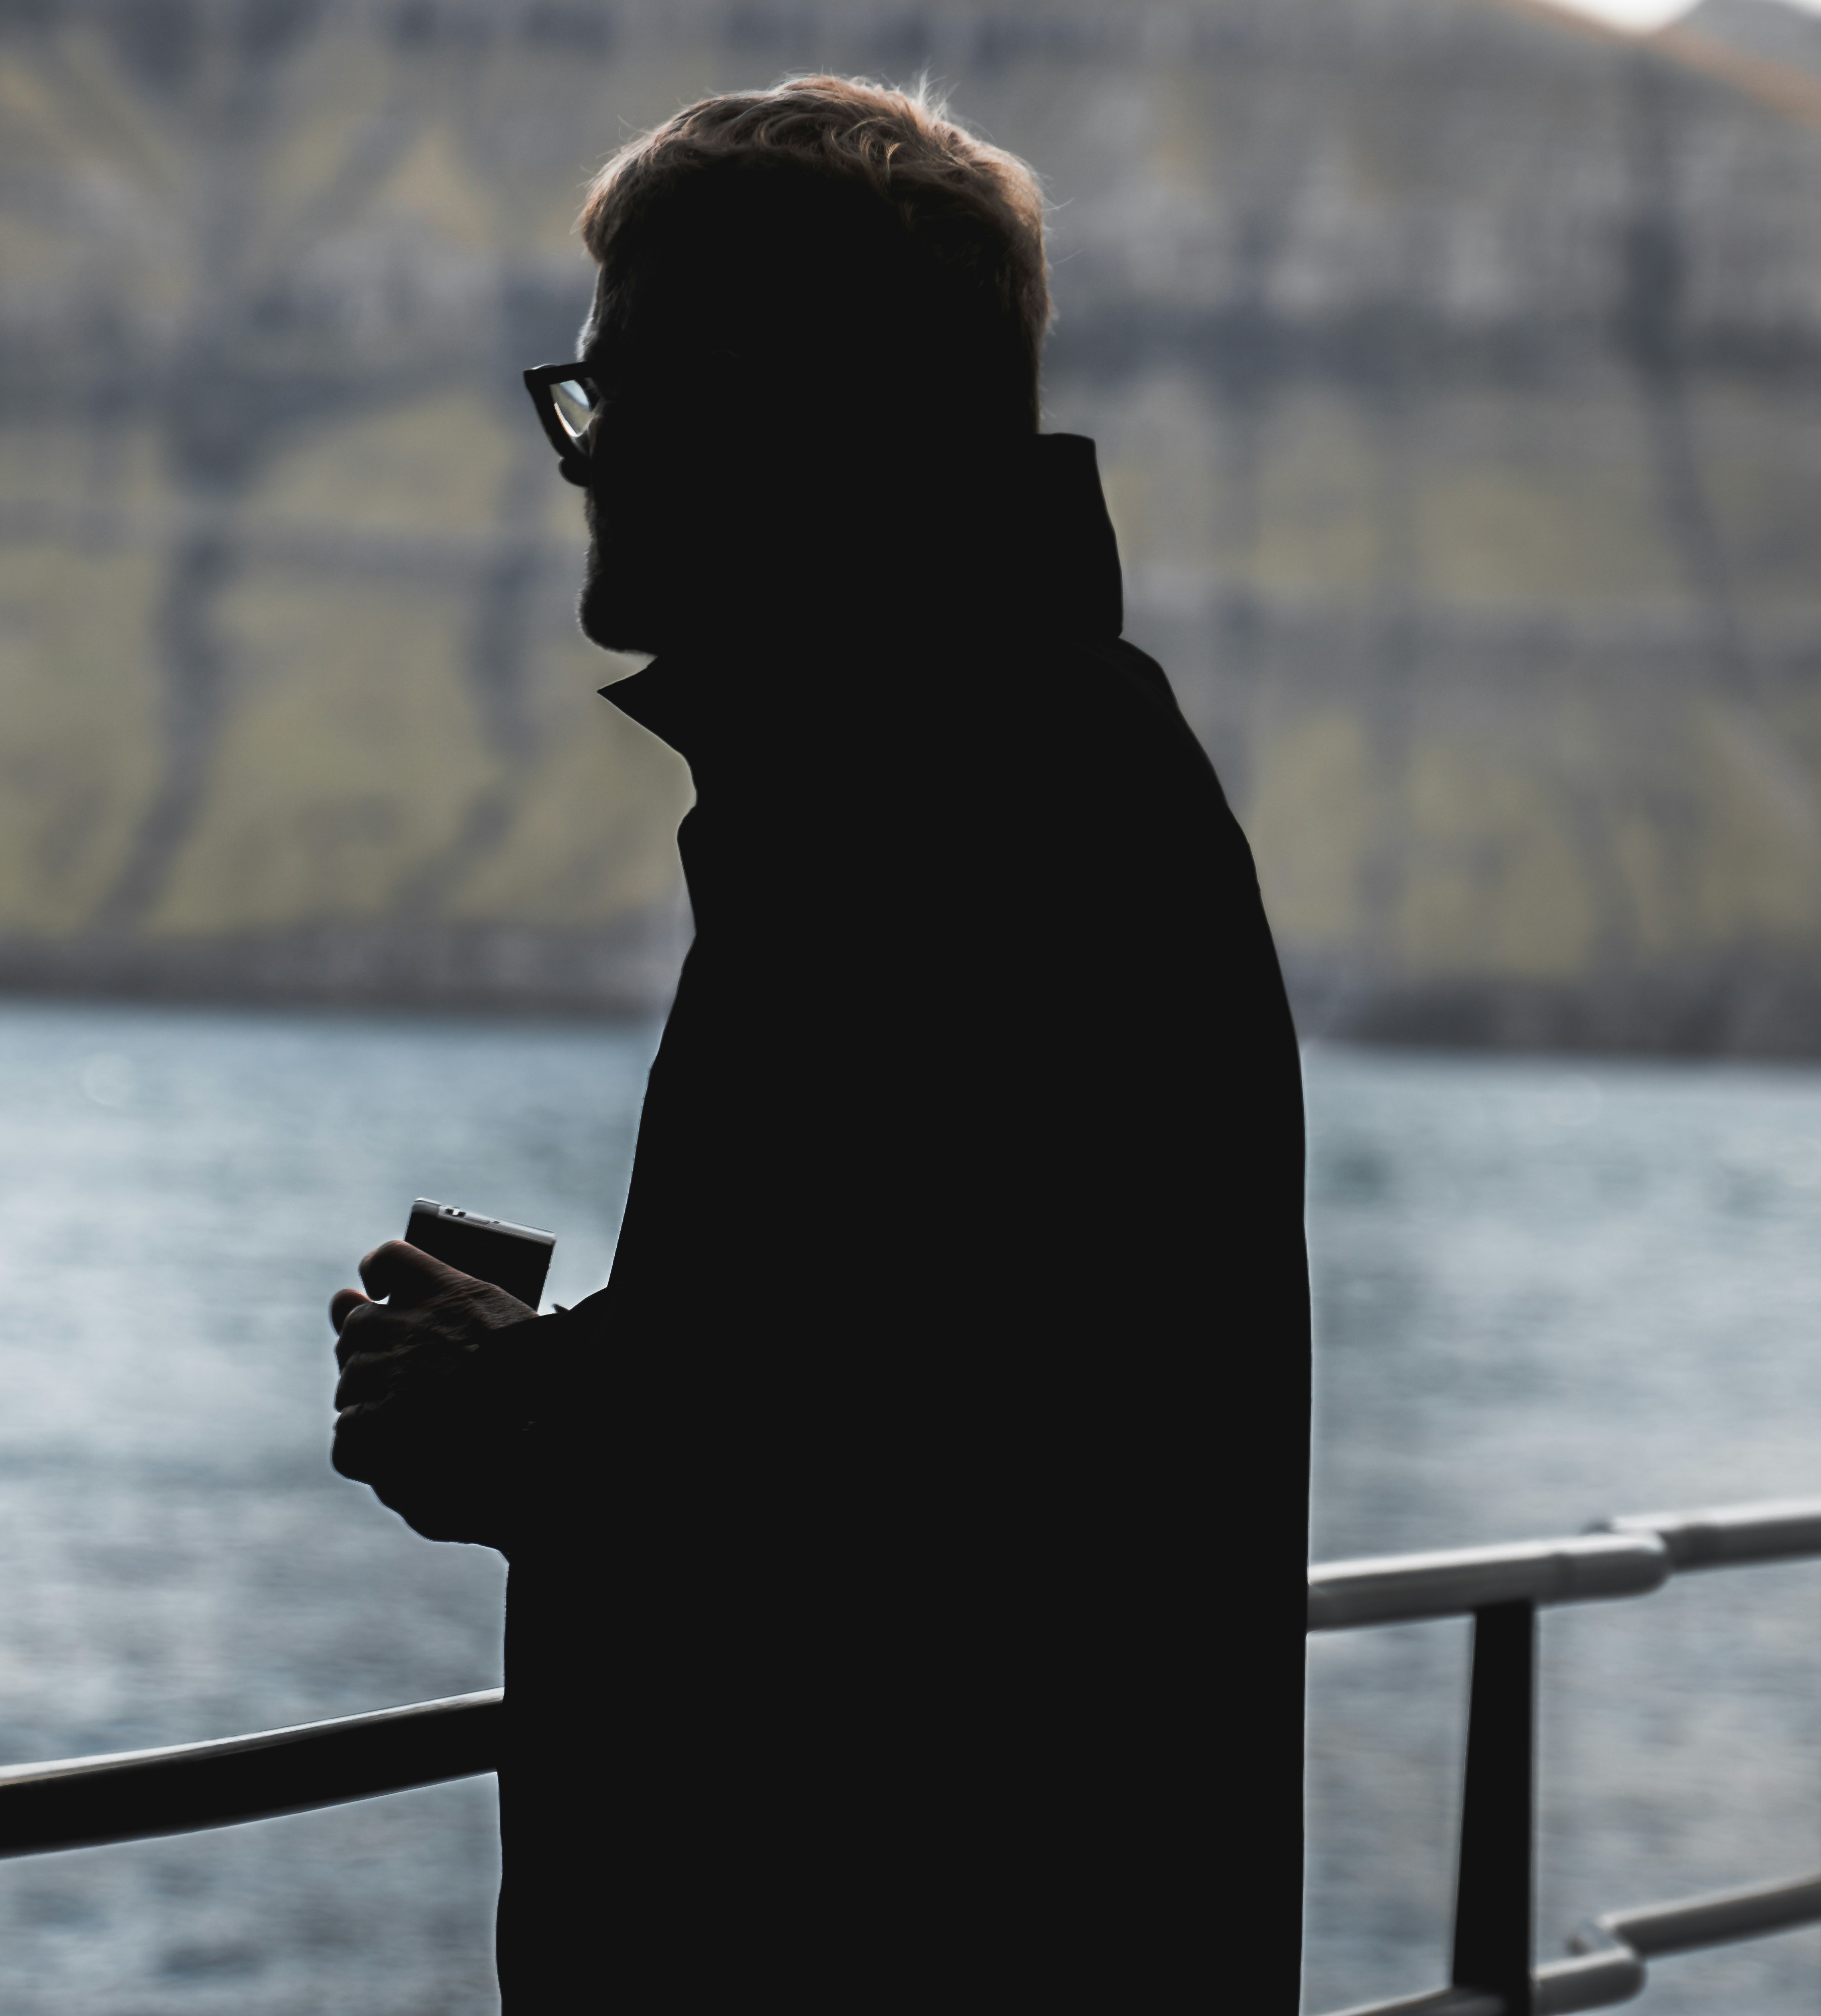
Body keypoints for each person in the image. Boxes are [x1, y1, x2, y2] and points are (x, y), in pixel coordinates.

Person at [327, 76, 1309, 2010]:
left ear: (780, 406)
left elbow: (888, 1501)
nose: (582, 461)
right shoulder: (1033, 762)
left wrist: (502, 1409)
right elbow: (913, 1372)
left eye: (610, 398)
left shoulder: (957, 812)